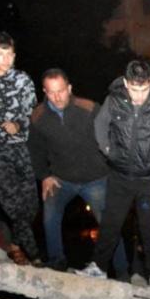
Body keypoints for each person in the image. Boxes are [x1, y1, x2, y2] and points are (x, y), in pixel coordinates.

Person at [79, 60, 150, 283]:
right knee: (110, 224)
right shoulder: (114, 101)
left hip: (148, 181)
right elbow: (99, 125)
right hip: (119, 177)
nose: (139, 96)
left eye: (144, 89)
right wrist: (107, 150)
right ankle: (98, 267)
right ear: (126, 83)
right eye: (134, 89)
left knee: (149, 229)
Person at [28, 68, 114, 271]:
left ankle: (120, 270)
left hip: (96, 178)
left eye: (61, 90)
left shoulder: (90, 108)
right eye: (51, 92)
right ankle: (57, 263)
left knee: (109, 224)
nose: (57, 97)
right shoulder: (38, 116)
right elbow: (35, 150)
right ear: (44, 92)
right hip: (62, 179)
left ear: (69, 88)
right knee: (49, 214)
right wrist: (44, 176)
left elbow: (111, 137)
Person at [0, 31, 40, 264]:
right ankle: (33, 256)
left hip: (20, 146)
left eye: (9, 55)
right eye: (0, 54)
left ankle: (16, 243)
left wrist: (19, 123)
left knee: (30, 204)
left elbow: (30, 109)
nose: (6, 60)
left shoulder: (22, 80)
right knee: (11, 203)